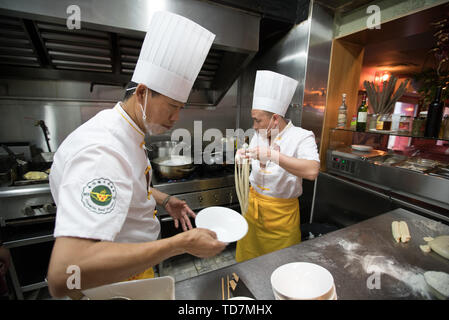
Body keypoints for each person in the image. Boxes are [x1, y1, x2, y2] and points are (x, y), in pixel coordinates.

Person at [47, 11, 226, 299]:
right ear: (142, 93)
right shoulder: (102, 150)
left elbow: (125, 187)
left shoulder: (126, 131)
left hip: (133, 271)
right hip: (112, 283)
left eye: (181, 107)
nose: (176, 118)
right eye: (172, 106)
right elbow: (63, 275)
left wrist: (164, 199)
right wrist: (179, 244)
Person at [235, 70, 320, 262]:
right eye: (253, 119)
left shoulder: (302, 136)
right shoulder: (260, 133)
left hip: (281, 218)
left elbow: (312, 171)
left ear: (275, 118)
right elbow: (255, 158)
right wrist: (243, 156)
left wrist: (272, 155)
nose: (254, 126)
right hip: (253, 210)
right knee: (248, 263)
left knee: (280, 265)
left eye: (258, 120)